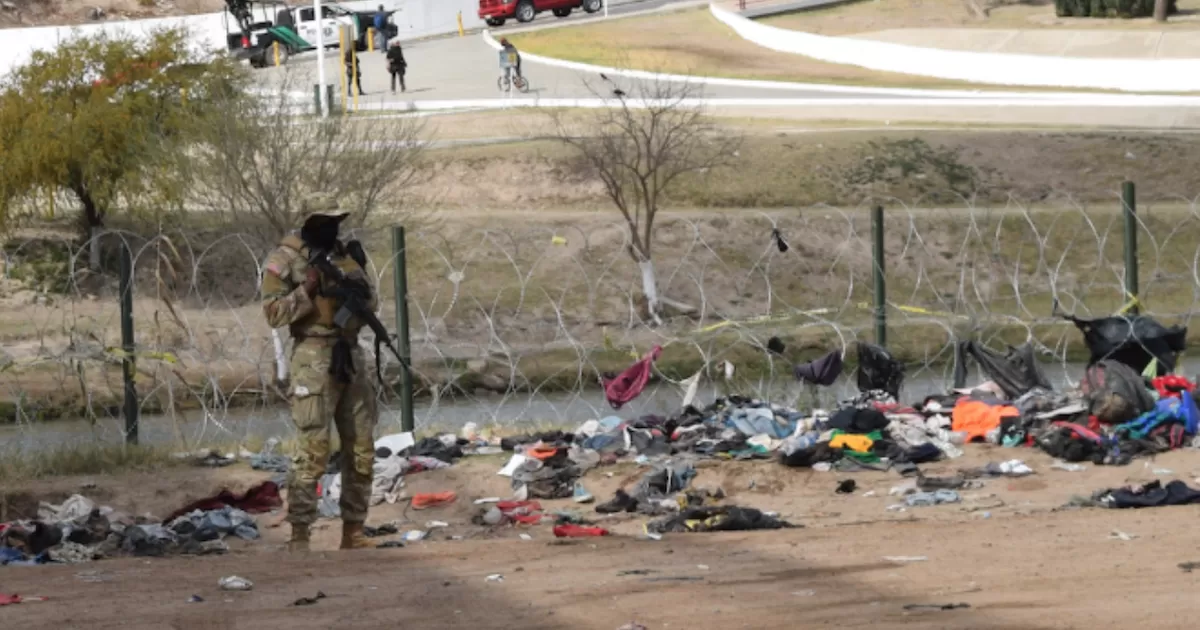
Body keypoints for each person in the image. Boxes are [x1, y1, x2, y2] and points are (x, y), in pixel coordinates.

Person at [260, 194, 378, 552]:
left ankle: (353, 530)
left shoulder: (346, 257)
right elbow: (273, 314)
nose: (332, 228)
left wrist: (356, 289)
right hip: (312, 356)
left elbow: (372, 304)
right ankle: (300, 534)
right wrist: (307, 288)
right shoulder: (285, 261)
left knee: (361, 447)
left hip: (350, 352)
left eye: (336, 221)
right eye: (324, 221)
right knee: (313, 449)